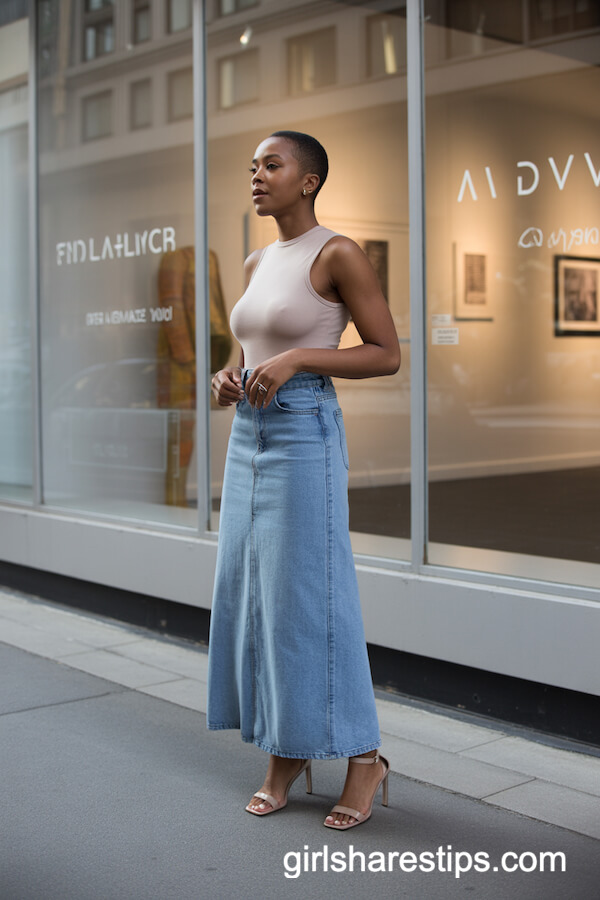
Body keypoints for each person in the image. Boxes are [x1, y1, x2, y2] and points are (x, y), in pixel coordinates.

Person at [207, 130, 400, 830]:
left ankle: (363, 756)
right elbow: (244, 353)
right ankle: (287, 752)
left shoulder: (337, 252)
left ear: (309, 180)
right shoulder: (260, 257)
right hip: (248, 437)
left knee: (316, 598)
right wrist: (226, 379)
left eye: (272, 164)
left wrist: (299, 360)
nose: (256, 175)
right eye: (253, 166)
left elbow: (385, 354)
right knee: (257, 596)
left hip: (303, 434)